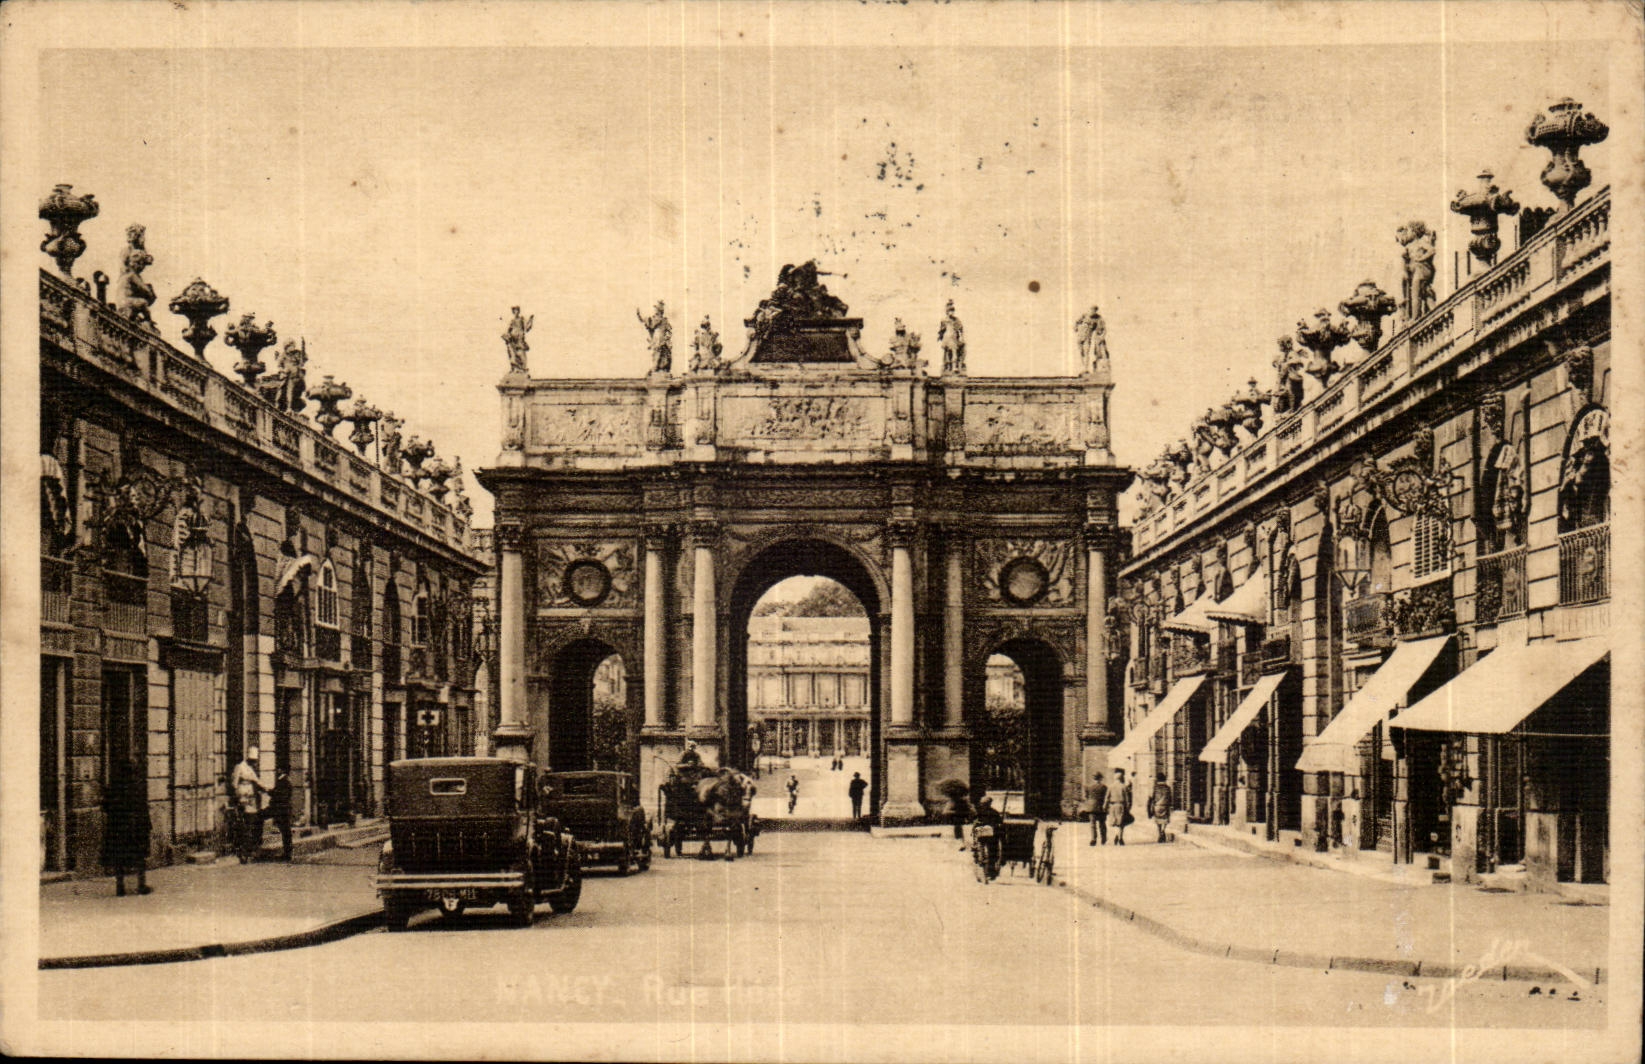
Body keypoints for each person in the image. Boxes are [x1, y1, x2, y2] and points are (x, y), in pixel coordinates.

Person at [103, 757, 151, 896]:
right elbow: (143, 808)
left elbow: (105, 806)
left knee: (119, 857)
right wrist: (147, 826)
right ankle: (141, 885)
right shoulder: (138, 785)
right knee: (140, 857)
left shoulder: (114, 785)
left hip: (118, 827)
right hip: (135, 827)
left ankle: (120, 887)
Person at [230, 747, 272, 863]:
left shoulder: (251, 769)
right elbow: (234, 784)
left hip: (252, 801)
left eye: (255, 760)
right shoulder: (240, 767)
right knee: (245, 826)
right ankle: (243, 852)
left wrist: (267, 789)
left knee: (252, 825)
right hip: (243, 799)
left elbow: (257, 782)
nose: (254, 762)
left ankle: (250, 851)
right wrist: (238, 797)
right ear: (248, 758)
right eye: (252, 760)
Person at [972, 795, 1004, 880]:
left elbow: (999, 824)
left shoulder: (993, 813)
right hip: (984, 836)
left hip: (991, 837)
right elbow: (975, 823)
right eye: (983, 804)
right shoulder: (981, 813)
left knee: (992, 851)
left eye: (986, 804)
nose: (984, 805)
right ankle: (984, 866)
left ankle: (991, 871)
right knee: (983, 849)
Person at [1106, 767, 1133, 846]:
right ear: (1121, 778)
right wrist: (1128, 807)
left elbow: (1107, 797)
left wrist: (1105, 806)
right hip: (1121, 805)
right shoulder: (1123, 786)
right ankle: (1120, 837)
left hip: (1112, 806)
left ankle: (1116, 835)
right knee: (1121, 823)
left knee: (1114, 822)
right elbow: (1127, 798)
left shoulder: (1110, 787)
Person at [1149, 774, 1174, 843]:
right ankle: (1163, 830)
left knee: (1158, 820)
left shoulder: (1155, 788)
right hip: (1165, 806)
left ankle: (1160, 833)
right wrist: (1170, 806)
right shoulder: (1168, 788)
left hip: (1157, 806)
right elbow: (1170, 798)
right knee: (1165, 819)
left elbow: (1152, 798)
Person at [1087, 772, 1110, 846]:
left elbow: (1087, 797)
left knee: (1092, 824)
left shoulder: (1090, 787)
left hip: (1092, 807)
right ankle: (1103, 839)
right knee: (1102, 824)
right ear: (1100, 779)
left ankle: (1093, 839)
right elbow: (1107, 797)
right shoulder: (1104, 787)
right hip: (1101, 807)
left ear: (1094, 779)